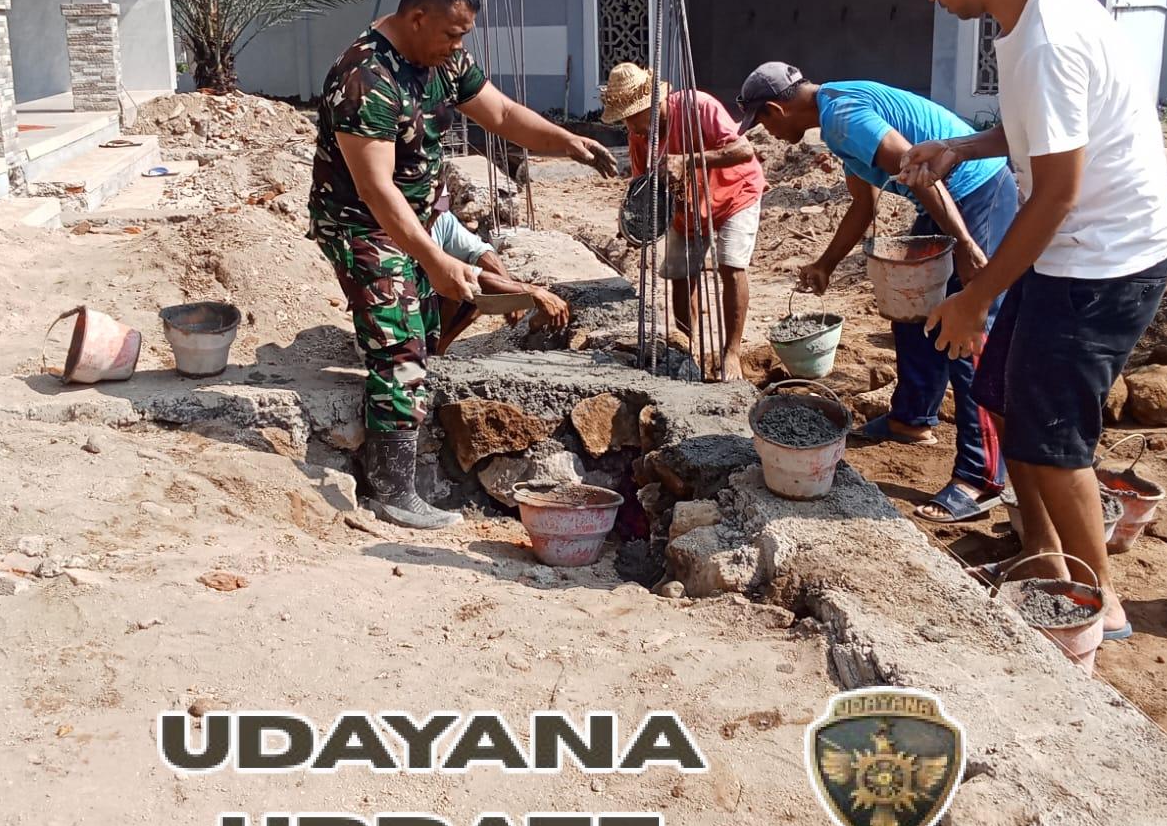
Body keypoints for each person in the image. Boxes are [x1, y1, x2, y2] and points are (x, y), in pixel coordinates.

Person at [883, 0, 1167, 641]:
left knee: (1055, 440)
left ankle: (1098, 604)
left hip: (1102, 263)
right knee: (1008, 401)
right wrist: (962, 146)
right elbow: (1040, 135)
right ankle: (1043, 560)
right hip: (1070, 254)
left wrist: (975, 296)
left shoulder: (1047, 36)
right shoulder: (1032, 14)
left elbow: (1056, 193)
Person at [308, 0, 618, 530]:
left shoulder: (443, 59)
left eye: (463, 35)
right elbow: (376, 191)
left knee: (424, 333)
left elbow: (501, 113)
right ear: (417, 18)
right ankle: (391, 492)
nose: (458, 45)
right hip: (362, 225)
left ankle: (401, 431)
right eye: (452, 33)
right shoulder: (364, 78)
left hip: (419, 218)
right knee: (401, 347)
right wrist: (435, 259)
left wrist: (567, 142)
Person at [735, 63, 1019, 523]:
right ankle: (912, 417)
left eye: (763, 123)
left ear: (775, 109)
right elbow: (862, 207)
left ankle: (981, 476)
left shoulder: (843, 116)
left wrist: (966, 246)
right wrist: (825, 264)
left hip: (975, 192)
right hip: (943, 201)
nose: (768, 134)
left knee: (969, 326)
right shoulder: (835, 121)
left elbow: (922, 171)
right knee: (913, 306)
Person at [599, 62, 766, 381]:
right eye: (625, 121)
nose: (630, 128)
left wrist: (689, 161)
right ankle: (688, 350)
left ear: (650, 104)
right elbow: (643, 186)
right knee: (680, 274)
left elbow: (744, 151)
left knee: (731, 265)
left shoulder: (697, 107)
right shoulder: (639, 136)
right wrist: (635, 221)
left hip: (735, 190)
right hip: (687, 205)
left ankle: (731, 352)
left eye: (632, 118)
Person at [427, 180, 570, 355]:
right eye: (432, 209)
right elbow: (450, 272)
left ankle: (435, 349)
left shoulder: (439, 217)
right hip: (403, 304)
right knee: (462, 287)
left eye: (439, 207)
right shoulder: (404, 228)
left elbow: (479, 251)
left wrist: (510, 290)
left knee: (490, 288)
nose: (436, 213)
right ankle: (419, 348)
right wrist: (531, 292)